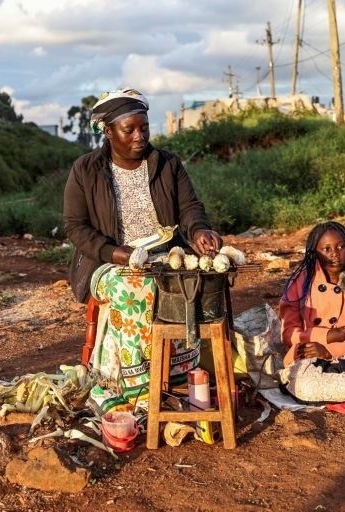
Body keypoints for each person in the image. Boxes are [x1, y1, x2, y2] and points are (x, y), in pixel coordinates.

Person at [63, 87, 222, 413]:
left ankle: (180, 374)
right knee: (134, 286)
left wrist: (199, 230)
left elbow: (190, 208)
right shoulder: (85, 170)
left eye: (144, 128)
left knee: (190, 281)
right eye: (129, 130)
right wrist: (116, 253)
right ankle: (138, 391)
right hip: (109, 263)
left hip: (165, 257)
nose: (139, 136)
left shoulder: (166, 164)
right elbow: (75, 227)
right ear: (108, 132)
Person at [278, 221, 345, 403]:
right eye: (326, 248)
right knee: (305, 386)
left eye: (341, 247)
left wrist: (329, 350)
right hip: (306, 350)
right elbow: (288, 334)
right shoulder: (300, 284)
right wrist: (325, 336)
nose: (335, 254)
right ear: (314, 253)